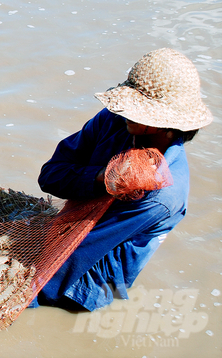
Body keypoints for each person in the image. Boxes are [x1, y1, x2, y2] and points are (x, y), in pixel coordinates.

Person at [34, 48, 212, 311]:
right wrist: (101, 178)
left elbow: (82, 252)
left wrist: (25, 287)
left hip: (89, 279)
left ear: (165, 124)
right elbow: (50, 176)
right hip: (70, 230)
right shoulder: (113, 120)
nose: (124, 112)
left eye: (136, 111)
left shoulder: (164, 196)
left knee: (38, 297)